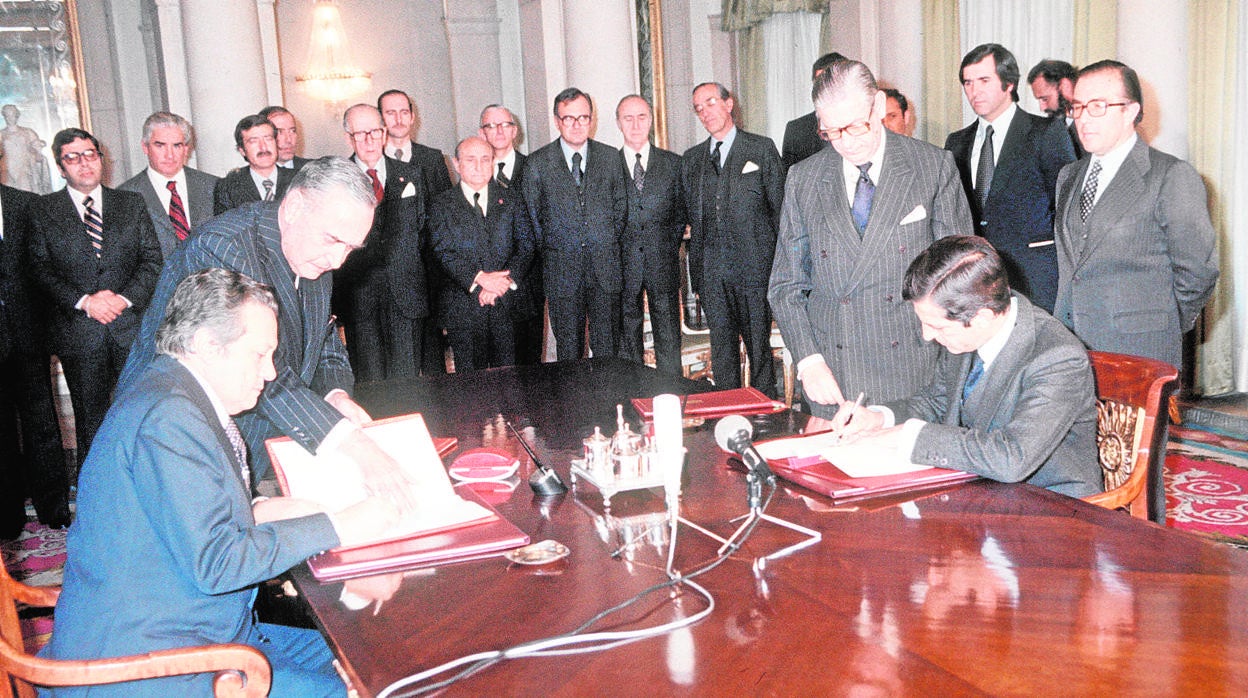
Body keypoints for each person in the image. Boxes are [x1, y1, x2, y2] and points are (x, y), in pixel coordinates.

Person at [43, 268, 397, 696]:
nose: (269, 373)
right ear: (208, 345)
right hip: (147, 666)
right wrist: (346, 525)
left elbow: (193, 517)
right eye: (260, 354)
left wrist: (270, 510)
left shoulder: (173, 393)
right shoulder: (169, 417)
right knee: (371, 681)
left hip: (196, 629)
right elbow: (218, 564)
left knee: (372, 656)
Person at [117, 156, 417, 502]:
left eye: (350, 248)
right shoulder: (226, 249)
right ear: (294, 206)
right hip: (173, 438)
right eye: (334, 241)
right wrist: (351, 442)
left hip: (244, 440)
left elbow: (322, 336)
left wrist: (336, 395)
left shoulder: (311, 246)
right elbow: (260, 372)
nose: (338, 261)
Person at [769, 59, 971, 417]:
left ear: (878, 106)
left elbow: (960, 276)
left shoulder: (932, 166)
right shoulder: (804, 179)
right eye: (831, 131)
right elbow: (785, 285)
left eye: (854, 127)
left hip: (912, 375)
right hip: (833, 376)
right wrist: (809, 361)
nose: (844, 143)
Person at [825, 235, 1100, 498]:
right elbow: (938, 402)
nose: (926, 336)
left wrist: (906, 437)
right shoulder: (966, 333)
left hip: (1051, 512)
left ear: (981, 317)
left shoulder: (1057, 358)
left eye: (935, 325)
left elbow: (1011, 458)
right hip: (979, 494)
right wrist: (880, 419)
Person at [1054, 60, 1218, 373]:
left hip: (1140, 351)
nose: (1083, 119)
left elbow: (1198, 271)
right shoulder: (1069, 176)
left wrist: (1160, 323)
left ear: (1130, 111)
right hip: (1071, 347)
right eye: (1077, 107)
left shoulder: (1170, 175)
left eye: (1098, 106)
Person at [26, 128, 162, 468]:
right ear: (60, 167)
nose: (84, 164)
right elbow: (39, 269)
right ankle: (98, 495)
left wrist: (124, 299)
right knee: (91, 422)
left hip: (129, 328)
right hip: (80, 334)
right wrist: (86, 301)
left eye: (90, 154)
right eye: (73, 158)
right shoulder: (42, 210)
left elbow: (151, 260)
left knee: (144, 414)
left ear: (101, 159)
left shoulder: (130, 204)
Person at [945, 43, 1076, 312]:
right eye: (968, 82)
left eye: (984, 80)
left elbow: (1067, 207)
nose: (974, 91)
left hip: (1035, 280)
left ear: (1009, 84)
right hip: (978, 284)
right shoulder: (956, 143)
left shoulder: (1046, 133)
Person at [683, 82, 784, 396]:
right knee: (722, 354)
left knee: (759, 350)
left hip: (754, 271)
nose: (705, 112)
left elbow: (781, 212)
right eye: (698, 108)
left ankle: (766, 418)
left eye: (710, 102)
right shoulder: (692, 158)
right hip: (712, 274)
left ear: (728, 104)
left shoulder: (761, 149)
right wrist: (697, 276)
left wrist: (780, 271)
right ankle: (725, 418)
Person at [521, 87, 627, 361]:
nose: (577, 125)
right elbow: (534, 220)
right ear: (557, 121)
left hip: (605, 272)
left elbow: (620, 209)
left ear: (592, 120)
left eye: (583, 117)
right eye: (569, 118)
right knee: (569, 354)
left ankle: (609, 404)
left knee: (608, 352)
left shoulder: (611, 157)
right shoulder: (537, 163)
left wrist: (598, 240)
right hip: (562, 274)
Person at [334, 103, 427, 382]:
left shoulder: (412, 174)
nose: (369, 140)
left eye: (374, 132)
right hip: (359, 297)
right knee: (370, 383)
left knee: (408, 381)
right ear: (349, 138)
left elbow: (421, 229)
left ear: (385, 134)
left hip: (405, 294)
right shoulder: (337, 178)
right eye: (360, 134)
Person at [429, 136, 534, 371]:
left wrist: (503, 282)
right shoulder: (440, 205)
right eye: (470, 159)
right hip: (464, 308)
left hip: (507, 305)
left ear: (493, 162)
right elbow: (442, 250)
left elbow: (526, 245)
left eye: (485, 159)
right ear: (457, 164)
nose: (478, 166)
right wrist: (480, 279)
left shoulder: (512, 199)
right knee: (470, 386)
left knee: (512, 380)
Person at [0, 183, 69, 537]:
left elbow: (46, 265)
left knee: (42, 425)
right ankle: (7, 517)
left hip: (29, 334)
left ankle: (54, 509)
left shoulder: (25, 204)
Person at [376, 89, 452, 375]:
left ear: (413, 116)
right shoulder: (370, 162)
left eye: (403, 112)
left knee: (433, 366)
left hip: (427, 281)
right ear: (380, 118)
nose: (398, 119)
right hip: (387, 283)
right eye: (390, 113)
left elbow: (445, 216)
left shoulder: (432, 159)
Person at [615, 94, 685, 375]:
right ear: (618, 123)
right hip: (622, 267)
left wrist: (665, 247)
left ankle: (671, 400)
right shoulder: (607, 166)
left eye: (641, 117)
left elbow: (680, 215)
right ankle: (633, 402)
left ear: (651, 120)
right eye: (628, 118)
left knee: (668, 337)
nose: (635, 124)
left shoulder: (673, 164)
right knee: (627, 342)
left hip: (662, 263)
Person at [480, 104, 543, 365]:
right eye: (490, 126)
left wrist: (511, 277)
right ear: (481, 132)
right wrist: (491, 282)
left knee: (530, 364)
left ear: (515, 130)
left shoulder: (535, 168)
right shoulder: (475, 172)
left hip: (528, 284)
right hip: (486, 288)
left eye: (505, 124)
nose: (498, 131)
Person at [119, 111, 220, 258]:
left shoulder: (213, 186)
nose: (169, 155)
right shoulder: (126, 196)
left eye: (177, 146)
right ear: (145, 147)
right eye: (160, 146)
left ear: (186, 149)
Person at [213, 114, 296, 215]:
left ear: (276, 142)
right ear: (242, 150)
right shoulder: (228, 187)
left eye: (268, 139)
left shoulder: (298, 179)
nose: (263, 147)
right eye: (253, 141)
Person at [781, 52, 847, 168]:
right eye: (818, 82)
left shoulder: (862, 124)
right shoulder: (797, 131)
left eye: (829, 80)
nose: (823, 88)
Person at [1027, 59, 1083, 157]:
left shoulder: (1092, 117)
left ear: (1065, 86)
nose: (1042, 108)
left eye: (1045, 99)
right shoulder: (1058, 123)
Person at [0, 104, 52, 194]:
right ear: (4, 116)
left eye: (12, 114)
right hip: (7, 173)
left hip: (25, 170)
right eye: (7, 115)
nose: (10, 118)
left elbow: (38, 153)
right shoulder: (1, 135)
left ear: (17, 115)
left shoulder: (28, 133)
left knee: (27, 194)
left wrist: (37, 154)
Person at [259, 105, 312, 171]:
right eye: (279, 132)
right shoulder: (246, 178)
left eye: (292, 131)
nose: (289, 140)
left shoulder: (315, 170)